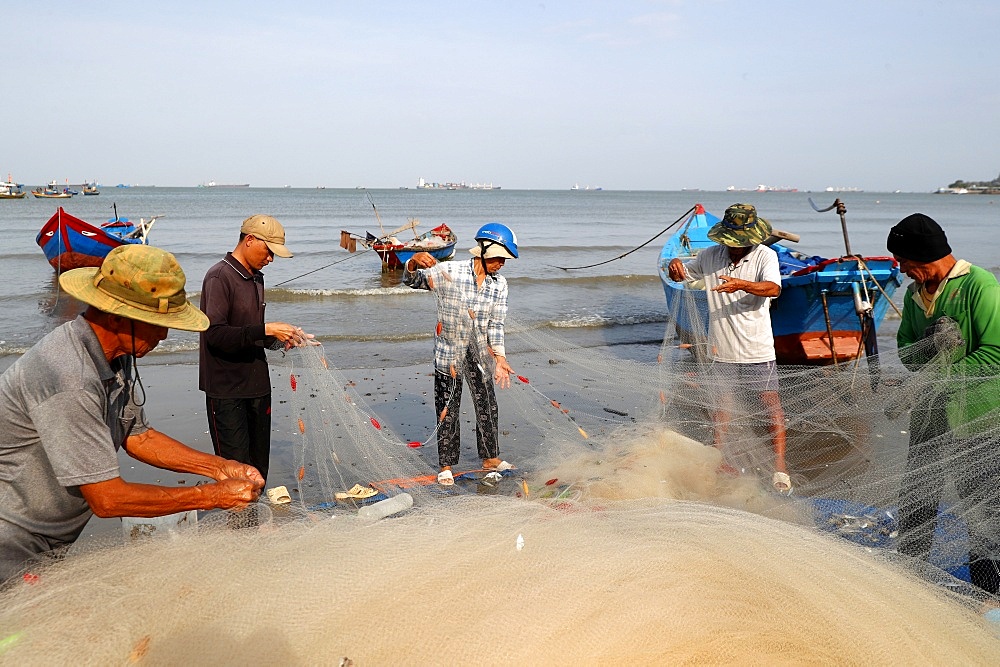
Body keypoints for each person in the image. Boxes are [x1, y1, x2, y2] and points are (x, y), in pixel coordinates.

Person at [0, 245, 264, 582]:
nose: (165, 334)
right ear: (116, 317)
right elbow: (107, 499)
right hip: (12, 540)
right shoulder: (70, 376)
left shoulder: (113, 354)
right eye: (157, 323)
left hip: (49, 536)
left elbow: (137, 436)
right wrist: (210, 496)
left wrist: (221, 467)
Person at [887, 212, 1000, 594]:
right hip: (930, 417)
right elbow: (905, 348)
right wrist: (930, 353)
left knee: (982, 504)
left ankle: (988, 588)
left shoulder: (979, 285)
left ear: (924, 258)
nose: (901, 270)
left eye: (904, 262)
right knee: (917, 495)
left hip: (978, 415)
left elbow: (996, 354)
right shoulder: (915, 294)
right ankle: (908, 573)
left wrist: (939, 373)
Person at [666, 203, 789, 491]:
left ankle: (780, 467)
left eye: (740, 243)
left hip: (757, 349)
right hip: (720, 349)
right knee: (721, 407)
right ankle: (718, 456)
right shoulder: (710, 255)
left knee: (772, 407)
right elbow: (684, 276)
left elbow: (773, 288)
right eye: (730, 243)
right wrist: (675, 269)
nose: (734, 249)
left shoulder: (765, 256)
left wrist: (742, 285)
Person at [199, 214, 313, 484]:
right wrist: (266, 330)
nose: (271, 259)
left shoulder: (256, 278)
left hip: (258, 387)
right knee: (237, 474)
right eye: (269, 251)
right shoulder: (218, 277)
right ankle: (240, 525)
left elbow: (250, 333)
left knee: (259, 470)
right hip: (226, 390)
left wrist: (282, 340)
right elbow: (214, 334)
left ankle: (253, 520)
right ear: (250, 240)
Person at [403, 223, 518, 485]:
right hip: (449, 352)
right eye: (499, 257)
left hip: (480, 354)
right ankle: (446, 464)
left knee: (487, 405)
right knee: (447, 407)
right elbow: (414, 281)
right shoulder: (449, 271)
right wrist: (412, 262)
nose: (502, 263)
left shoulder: (499, 285)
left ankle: (490, 458)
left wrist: (500, 358)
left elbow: (496, 324)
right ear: (484, 250)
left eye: (505, 259)